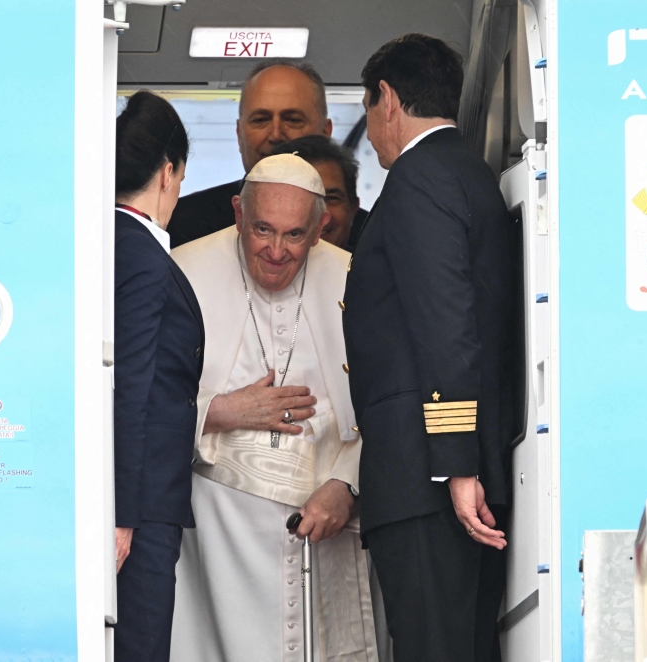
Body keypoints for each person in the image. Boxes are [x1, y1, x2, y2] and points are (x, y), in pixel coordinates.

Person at [342, 34, 522, 662]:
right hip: (462, 472)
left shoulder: (419, 179)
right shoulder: (468, 172)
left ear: (386, 99)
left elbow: (447, 327)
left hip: (432, 479)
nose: (371, 130)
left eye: (367, 111)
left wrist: (454, 462)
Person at [169, 154, 381, 662]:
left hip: (326, 517)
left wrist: (348, 484)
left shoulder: (357, 278)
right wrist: (220, 411)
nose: (276, 251)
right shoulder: (182, 270)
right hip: (219, 535)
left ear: (320, 228)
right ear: (238, 213)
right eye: (262, 230)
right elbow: (136, 400)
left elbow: (386, 403)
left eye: (293, 236)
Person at [112, 90, 204, 662]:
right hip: (139, 510)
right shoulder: (141, 256)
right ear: (169, 171)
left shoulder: (114, 246)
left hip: (139, 502)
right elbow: (130, 387)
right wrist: (120, 516)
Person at [166, 59, 369, 248]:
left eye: (293, 119)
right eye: (260, 120)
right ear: (239, 134)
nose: (276, 135)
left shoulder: (369, 237)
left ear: (325, 133)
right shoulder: (182, 225)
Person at [272, 135, 361, 250]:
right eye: (299, 198)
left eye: (331, 198)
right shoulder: (245, 266)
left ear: (353, 208)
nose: (318, 213)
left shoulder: (375, 267)